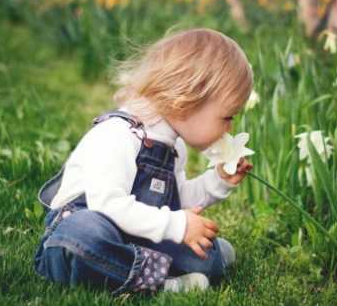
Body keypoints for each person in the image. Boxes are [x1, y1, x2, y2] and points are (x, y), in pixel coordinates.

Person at [33, 28, 254, 295]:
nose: (229, 129)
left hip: (134, 235)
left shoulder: (174, 146)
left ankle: (136, 268)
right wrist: (176, 226)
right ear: (186, 102)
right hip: (88, 231)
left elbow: (176, 201)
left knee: (207, 257)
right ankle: (161, 283)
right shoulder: (118, 135)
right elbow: (107, 205)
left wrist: (218, 180)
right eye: (227, 117)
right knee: (82, 237)